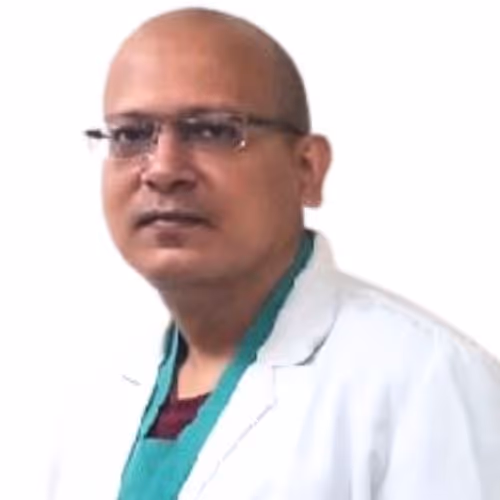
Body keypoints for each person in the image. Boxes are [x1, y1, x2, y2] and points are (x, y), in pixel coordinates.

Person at [49, 7, 500, 500]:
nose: (162, 169)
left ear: (307, 169)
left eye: (212, 130)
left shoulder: (429, 382)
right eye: (131, 135)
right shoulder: (96, 400)